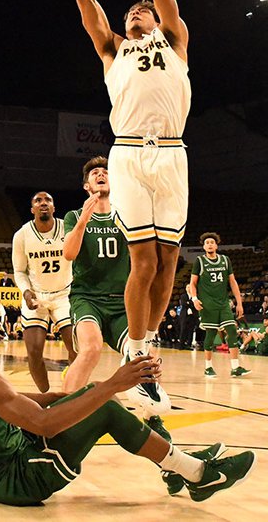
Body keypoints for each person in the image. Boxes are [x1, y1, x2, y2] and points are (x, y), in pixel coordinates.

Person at [0, 297, 255, 505]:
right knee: (104, 404)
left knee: (91, 394)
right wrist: (114, 384)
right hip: (14, 479)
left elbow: (4, 401)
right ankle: (198, 475)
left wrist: (58, 396)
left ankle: (175, 468)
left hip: (7, 455)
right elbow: (43, 423)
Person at [75, 0, 190, 411]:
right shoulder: (112, 48)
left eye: (146, 9)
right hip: (127, 155)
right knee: (142, 261)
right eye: (135, 12)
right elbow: (84, 0)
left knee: (169, 261)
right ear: (127, 25)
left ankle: (145, 350)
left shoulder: (175, 40)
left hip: (173, 154)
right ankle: (139, 362)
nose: (142, 11)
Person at [60, 156, 171, 436]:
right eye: (95, 172)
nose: (101, 174)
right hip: (88, 298)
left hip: (123, 302)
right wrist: (85, 216)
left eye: (105, 172)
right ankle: (63, 418)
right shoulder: (74, 216)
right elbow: (69, 253)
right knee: (91, 349)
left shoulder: (126, 216)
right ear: (86, 185)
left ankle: (153, 417)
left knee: (145, 358)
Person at [12, 191, 76, 392]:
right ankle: (46, 395)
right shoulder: (22, 235)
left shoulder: (68, 229)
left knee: (77, 348)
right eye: (38, 201)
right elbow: (19, 271)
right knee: (34, 351)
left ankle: (70, 387)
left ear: (54, 208)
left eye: (48, 200)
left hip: (64, 294)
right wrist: (26, 292)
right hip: (36, 295)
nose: (43, 203)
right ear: (32, 209)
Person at [187, 233, 250, 379]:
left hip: (223, 303)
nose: (209, 244)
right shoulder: (199, 261)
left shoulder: (225, 260)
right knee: (211, 333)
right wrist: (194, 299)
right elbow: (193, 283)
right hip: (207, 304)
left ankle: (235, 368)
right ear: (203, 246)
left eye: (212, 242)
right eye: (207, 242)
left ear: (216, 245)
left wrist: (239, 302)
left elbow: (233, 282)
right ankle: (208, 367)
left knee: (232, 331)